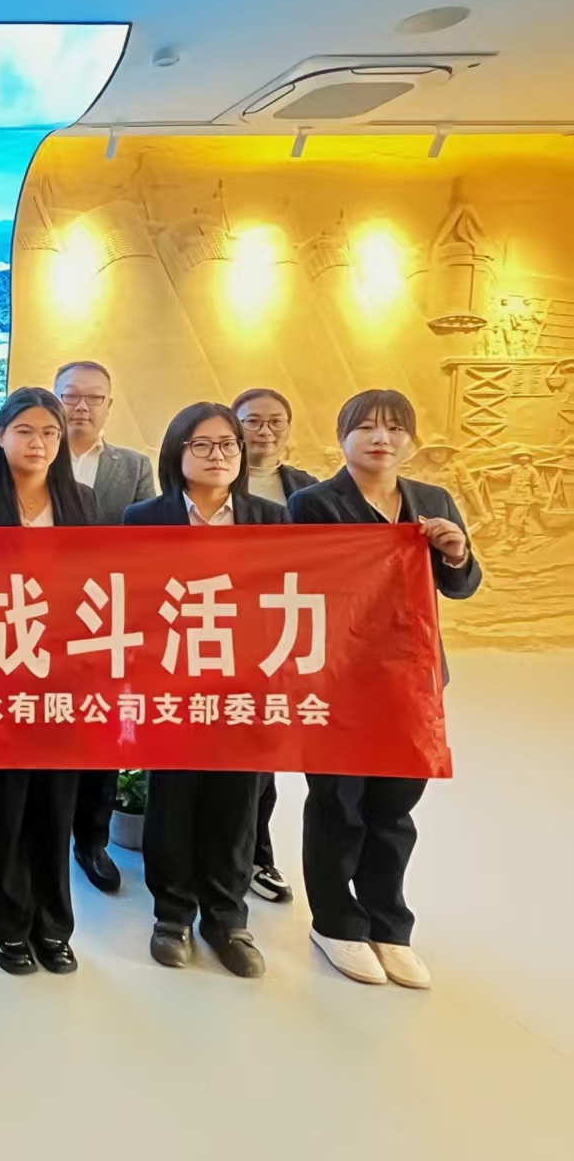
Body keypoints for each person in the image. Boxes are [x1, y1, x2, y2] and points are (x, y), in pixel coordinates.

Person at [288, 389, 481, 990]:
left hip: (411, 681)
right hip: (340, 679)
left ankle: (389, 925)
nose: (381, 438)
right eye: (367, 427)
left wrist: (455, 553)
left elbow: (461, 584)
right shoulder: (313, 503)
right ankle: (335, 922)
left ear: (411, 440)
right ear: (342, 437)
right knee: (337, 802)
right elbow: (306, 584)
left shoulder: (432, 501)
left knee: (395, 807)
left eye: (395, 428)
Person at [124, 401, 289, 979]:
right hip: (171, 681)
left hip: (246, 684)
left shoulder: (271, 520)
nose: (217, 455)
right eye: (202, 444)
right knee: (173, 798)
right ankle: (172, 915)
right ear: (178, 453)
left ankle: (227, 918)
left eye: (227, 445)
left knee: (237, 802)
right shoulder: (144, 518)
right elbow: (131, 599)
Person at [0, 387, 96, 976]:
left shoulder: (80, 500)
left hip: (64, 673)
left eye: (50, 433)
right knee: (3, 801)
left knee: (55, 802)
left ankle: (53, 925)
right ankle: (5, 923)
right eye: (25, 431)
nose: (39, 443)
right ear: (0, 436)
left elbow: (98, 584)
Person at [52, 359, 156, 895]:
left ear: (109, 406)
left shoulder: (133, 467)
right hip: (37, 618)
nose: (81, 407)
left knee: (100, 731)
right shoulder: (30, 458)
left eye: (93, 398)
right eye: (70, 396)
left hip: (107, 619)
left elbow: (146, 545)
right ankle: (42, 836)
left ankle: (91, 840)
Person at [231, 386, 321, 906]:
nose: (263, 431)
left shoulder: (310, 492)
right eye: (252, 421)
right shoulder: (211, 481)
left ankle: (256, 855)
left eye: (275, 422)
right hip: (214, 630)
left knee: (264, 755)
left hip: (280, 637)